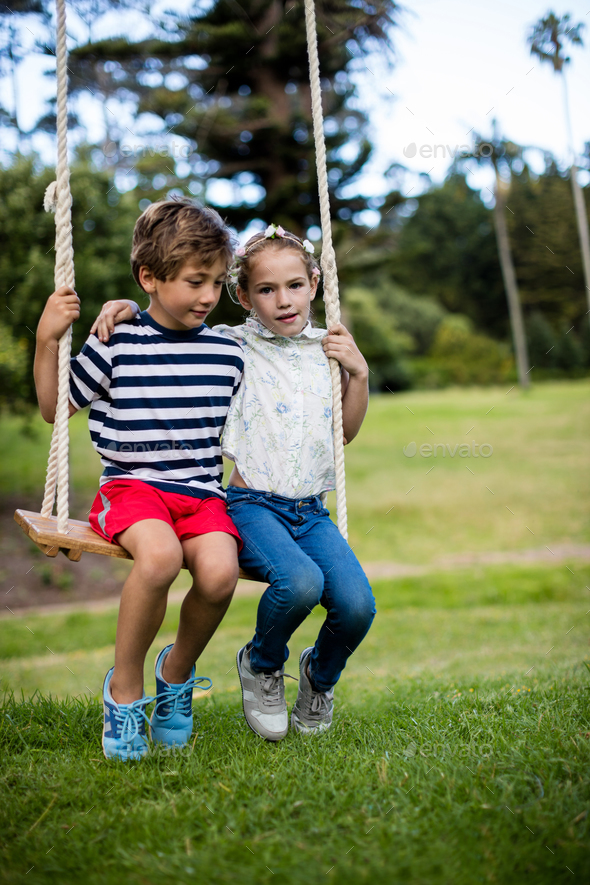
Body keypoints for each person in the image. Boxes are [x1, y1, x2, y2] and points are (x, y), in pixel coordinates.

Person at [93, 223, 376, 742]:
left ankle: (320, 677)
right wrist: (125, 307)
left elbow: (346, 434)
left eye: (294, 286)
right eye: (266, 290)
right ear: (243, 297)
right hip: (250, 503)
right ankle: (263, 665)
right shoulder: (231, 344)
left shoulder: (329, 350)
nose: (283, 301)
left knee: (358, 606)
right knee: (301, 584)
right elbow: (172, 326)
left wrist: (357, 375)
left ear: (314, 283)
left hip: (311, 510)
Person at [34, 199, 244, 761]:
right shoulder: (117, 341)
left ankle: (174, 677)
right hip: (132, 488)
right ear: (150, 277)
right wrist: (46, 339)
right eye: (195, 281)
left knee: (221, 572)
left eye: (218, 283)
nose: (208, 296)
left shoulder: (229, 352)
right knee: (159, 559)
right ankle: (124, 693)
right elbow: (56, 408)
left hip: (201, 494)